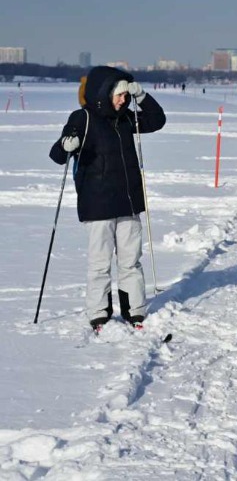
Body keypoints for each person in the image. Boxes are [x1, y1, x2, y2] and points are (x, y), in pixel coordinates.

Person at [49, 66, 166, 331]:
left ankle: (134, 310)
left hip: (127, 202)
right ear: (105, 92)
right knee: (100, 263)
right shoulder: (83, 118)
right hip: (97, 205)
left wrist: (143, 96)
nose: (123, 100)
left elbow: (157, 120)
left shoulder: (126, 119)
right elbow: (58, 154)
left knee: (130, 261)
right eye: (120, 95)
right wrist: (67, 145)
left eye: (126, 95)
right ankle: (99, 313)